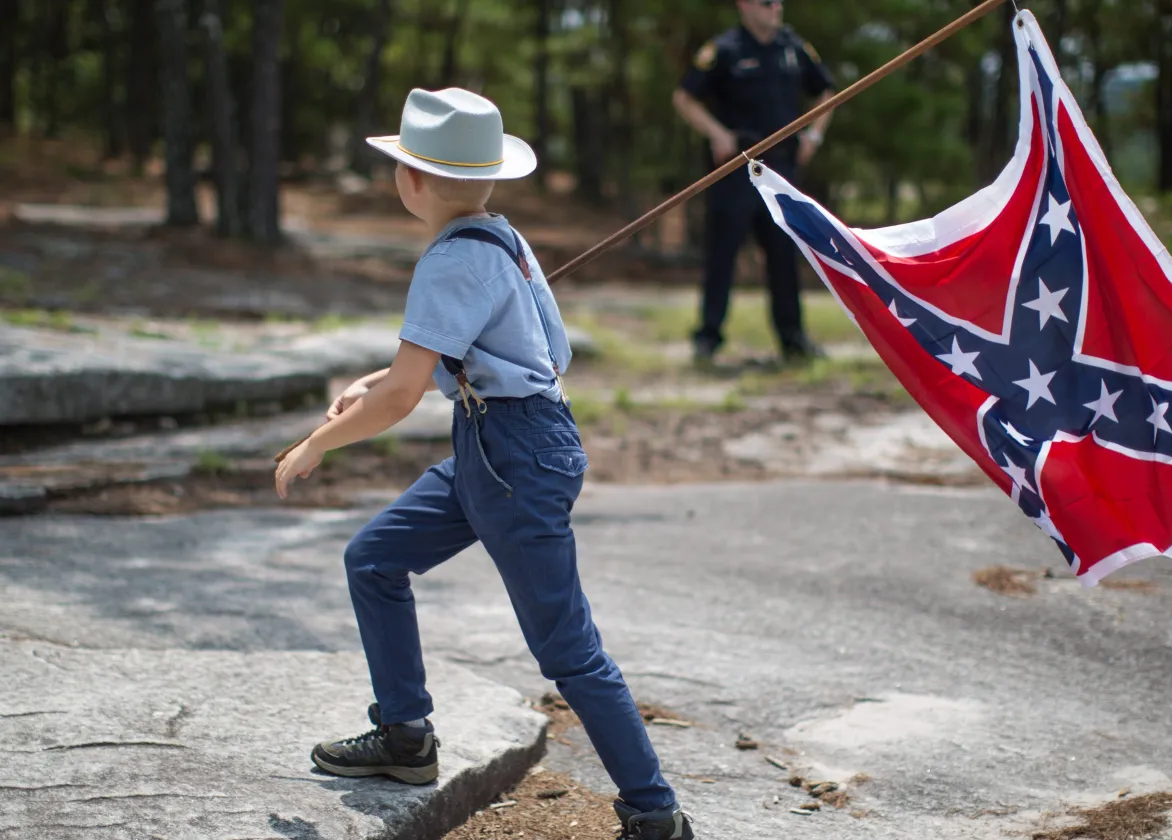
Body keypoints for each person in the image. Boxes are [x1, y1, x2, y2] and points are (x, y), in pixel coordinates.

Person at [273, 87, 694, 840]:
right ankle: (406, 738)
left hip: (513, 459)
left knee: (568, 651)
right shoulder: (501, 237)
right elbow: (517, 352)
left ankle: (655, 813)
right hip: (501, 444)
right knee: (373, 559)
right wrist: (383, 376)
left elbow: (406, 396)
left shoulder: (451, 260)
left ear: (412, 180)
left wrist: (316, 445)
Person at [673, 0, 837, 365]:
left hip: (781, 173)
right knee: (722, 256)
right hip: (737, 170)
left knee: (784, 256)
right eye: (765, 2)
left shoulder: (794, 48)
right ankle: (707, 339)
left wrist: (814, 137)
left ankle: (793, 339)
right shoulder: (725, 50)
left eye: (778, 2)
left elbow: (827, 91)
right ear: (744, 5)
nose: (775, 8)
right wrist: (717, 133)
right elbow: (684, 97)